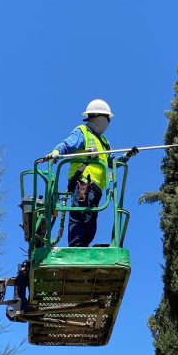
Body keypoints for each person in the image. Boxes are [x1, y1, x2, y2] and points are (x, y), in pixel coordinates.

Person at [48, 99, 136, 248]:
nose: (108, 122)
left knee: (90, 220)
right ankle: (76, 247)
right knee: (81, 216)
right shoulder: (82, 132)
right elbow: (67, 144)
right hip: (83, 183)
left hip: (96, 189)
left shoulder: (104, 142)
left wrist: (126, 156)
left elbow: (111, 161)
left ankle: (83, 247)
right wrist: (56, 152)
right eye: (108, 119)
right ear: (100, 117)